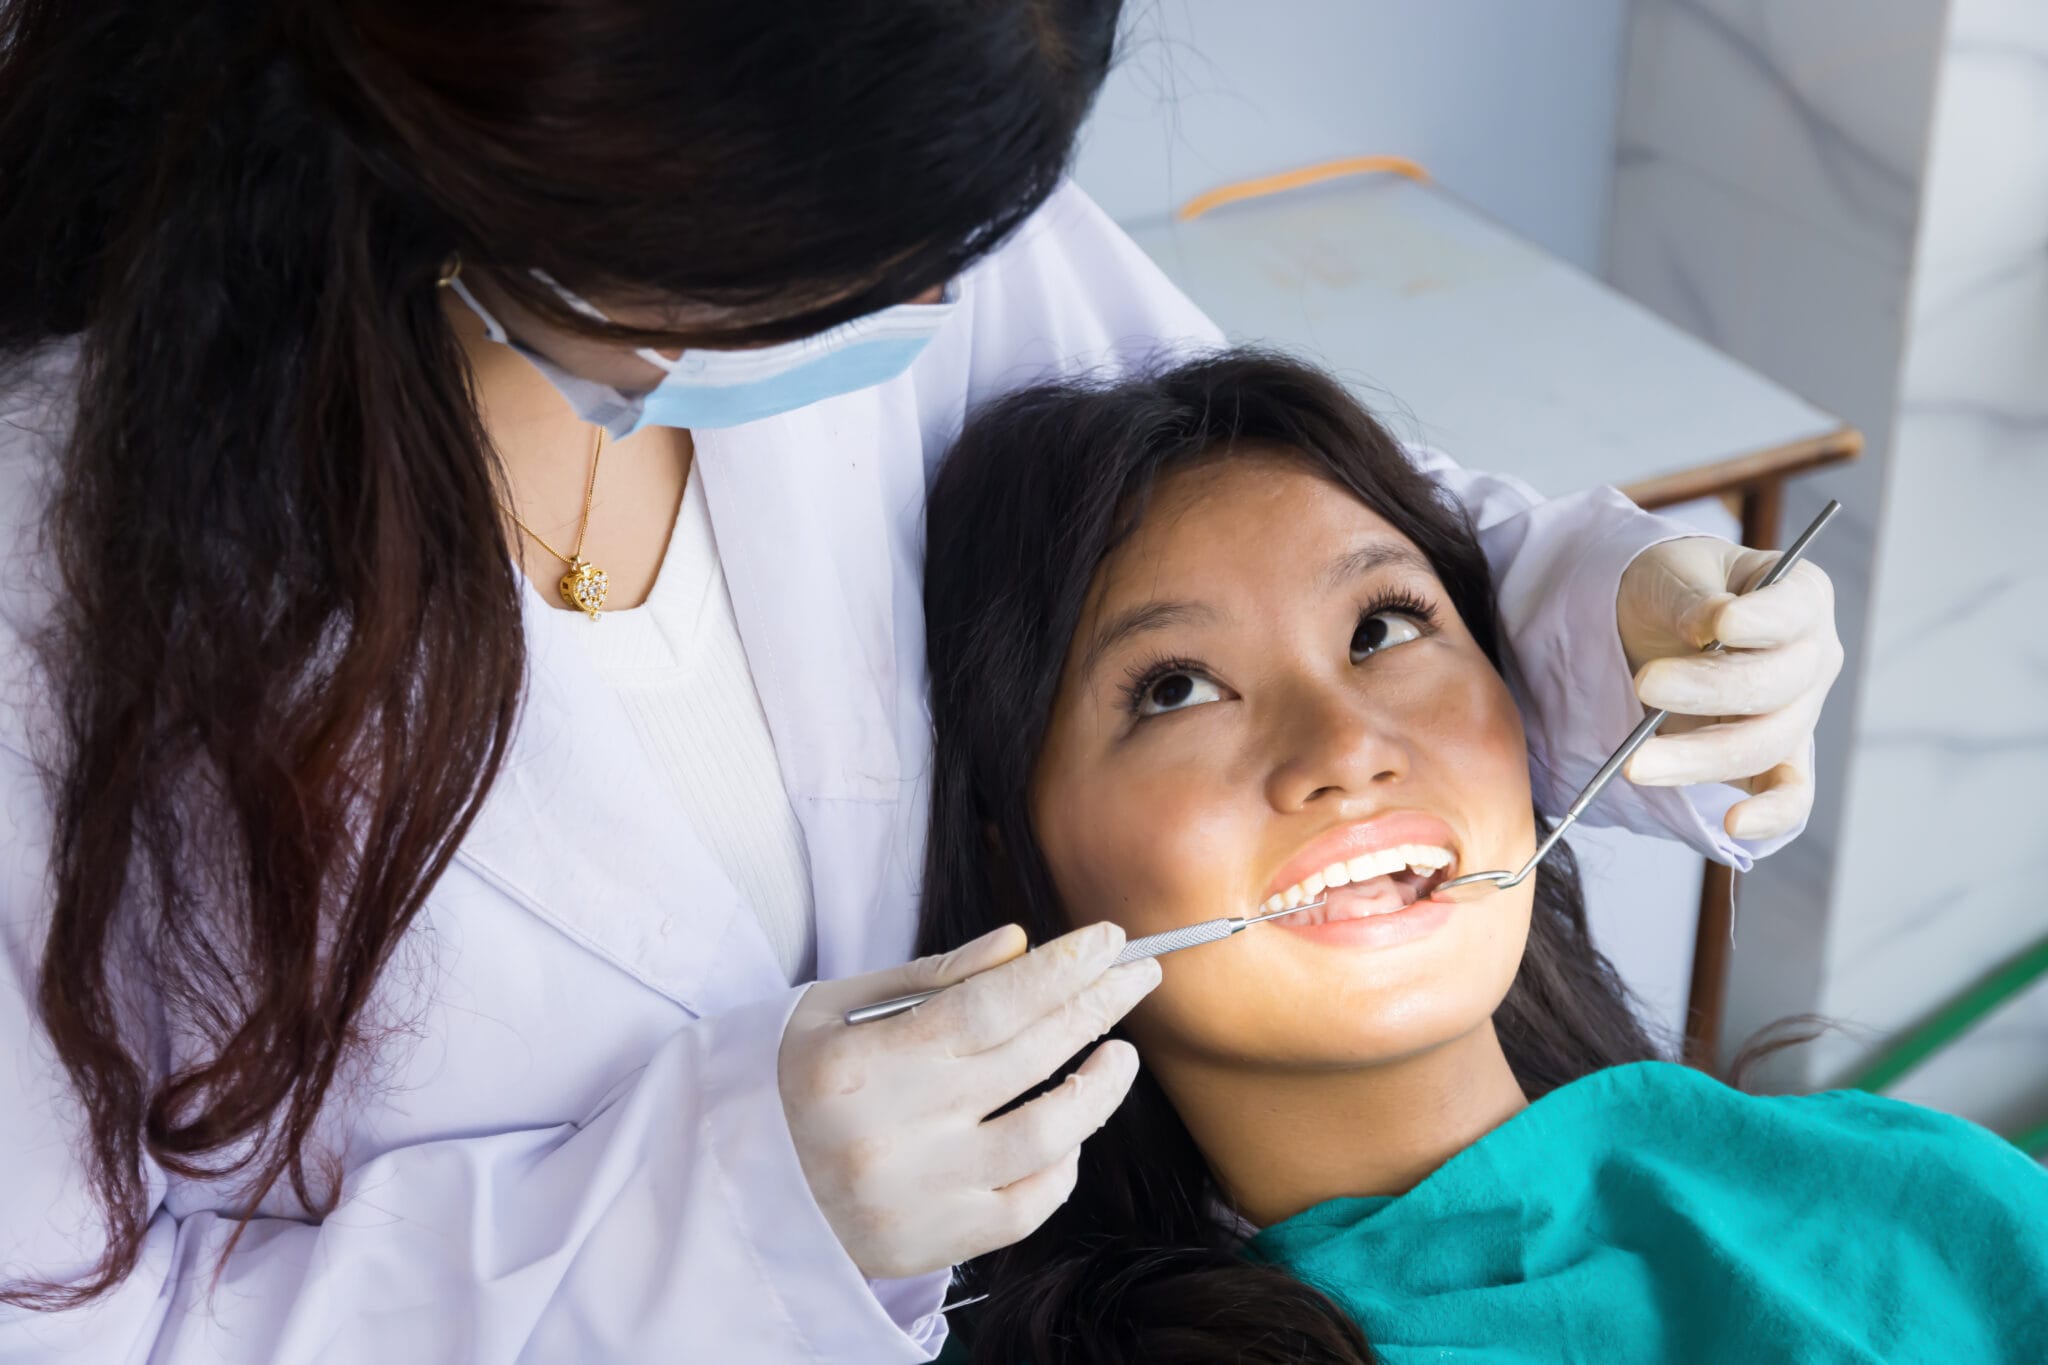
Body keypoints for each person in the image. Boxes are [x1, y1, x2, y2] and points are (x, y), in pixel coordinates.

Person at [0, 2, 1845, 1360]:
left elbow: (1274, 516)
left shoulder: (886, 218)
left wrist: (1598, 614)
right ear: (564, 164)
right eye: (1170, 694)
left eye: (1389, 652)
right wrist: (719, 1222)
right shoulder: (51, 603)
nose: (945, 315)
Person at [914, 351, 2048, 1364]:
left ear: (1516, 702)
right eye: (1175, 689)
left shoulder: (1927, 1195)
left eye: (1381, 629)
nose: (1347, 747)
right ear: (1016, 861)